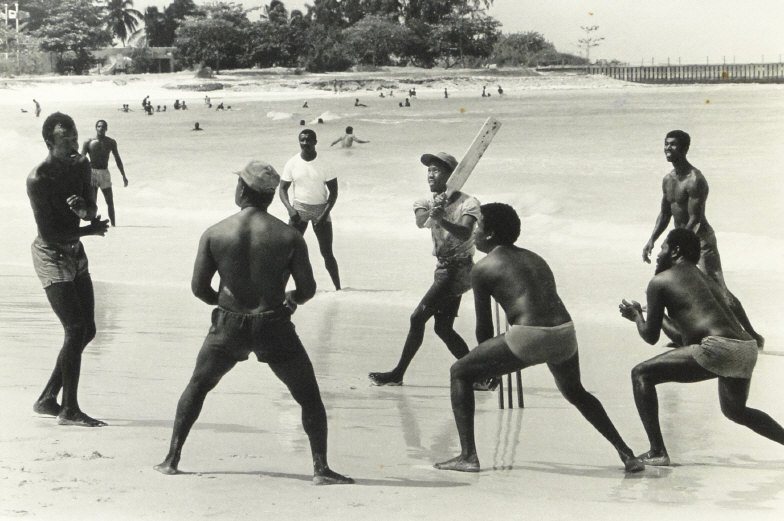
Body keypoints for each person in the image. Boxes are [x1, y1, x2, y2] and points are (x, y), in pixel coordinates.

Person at [154, 160, 353, 485]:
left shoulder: (215, 233)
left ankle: (171, 459)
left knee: (198, 386)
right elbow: (307, 290)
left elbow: (199, 289)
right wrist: (291, 298)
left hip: (228, 326)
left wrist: (225, 304)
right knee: (309, 398)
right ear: (271, 196)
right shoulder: (289, 236)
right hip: (272, 325)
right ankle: (321, 469)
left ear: (241, 190)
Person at [433, 203, 645, 473]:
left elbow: (484, 328)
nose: (473, 232)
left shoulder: (483, 268)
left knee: (459, 372)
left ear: (491, 234)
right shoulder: (535, 257)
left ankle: (468, 456)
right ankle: (627, 454)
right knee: (576, 392)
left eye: (478, 226)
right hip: (564, 332)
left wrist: (488, 369)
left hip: (529, 335)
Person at [621, 228, 784, 466]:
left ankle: (657, 452)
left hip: (718, 347)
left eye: (663, 247)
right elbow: (687, 338)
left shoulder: (659, 282)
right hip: (746, 348)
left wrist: (637, 316)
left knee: (640, 374)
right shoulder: (706, 278)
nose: (659, 254)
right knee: (735, 411)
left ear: (675, 250)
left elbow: (650, 336)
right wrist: (657, 316)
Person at [641, 130, 763, 347]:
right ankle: (684, 335)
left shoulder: (695, 180)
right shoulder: (668, 180)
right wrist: (652, 239)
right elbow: (665, 213)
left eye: (673, 145)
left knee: (719, 291)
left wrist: (676, 244)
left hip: (701, 241)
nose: (668, 148)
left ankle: (753, 336)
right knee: (675, 288)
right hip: (679, 242)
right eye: (666, 144)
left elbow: (695, 219)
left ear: (685, 149)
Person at [27, 112, 110, 427]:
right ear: (49, 142)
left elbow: (92, 208)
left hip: (74, 250)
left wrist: (85, 211)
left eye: (76, 138)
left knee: (88, 330)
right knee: (75, 329)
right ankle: (69, 409)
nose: (75, 145)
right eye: (66, 141)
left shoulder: (82, 165)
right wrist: (90, 230)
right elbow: (50, 235)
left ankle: (47, 399)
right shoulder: (38, 179)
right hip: (50, 254)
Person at [368, 152, 479, 386]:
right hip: (444, 268)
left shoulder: (469, 203)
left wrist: (443, 219)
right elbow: (421, 222)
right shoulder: (425, 202)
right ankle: (479, 375)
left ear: (452, 175)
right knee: (443, 328)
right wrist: (435, 212)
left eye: (436, 170)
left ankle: (397, 374)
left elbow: (465, 233)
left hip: (459, 270)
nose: (430, 175)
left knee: (417, 318)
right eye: (429, 170)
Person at [279, 129, 342, 290]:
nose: (305, 143)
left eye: (308, 140)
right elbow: (282, 189)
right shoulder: (292, 163)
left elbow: (334, 193)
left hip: (321, 209)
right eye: (302, 140)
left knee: (327, 253)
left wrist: (324, 214)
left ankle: (338, 289)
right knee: (290, 253)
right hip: (299, 209)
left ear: (315, 142)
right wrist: (290, 210)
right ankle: (279, 291)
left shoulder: (325, 164)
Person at [81, 119, 128, 227]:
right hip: (92, 173)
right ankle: (93, 225)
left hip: (105, 173)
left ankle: (114, 226)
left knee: (110, 201)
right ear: (96, 128)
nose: (101, 128)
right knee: (93, 202)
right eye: (99, 126)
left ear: (106, 128)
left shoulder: (111, 142)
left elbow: (117, 159)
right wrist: (80, 177)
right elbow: (81, 160)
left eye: (103, 126)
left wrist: (123, 175)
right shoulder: (88, 142)